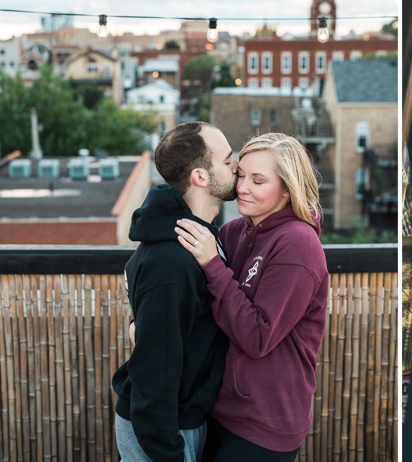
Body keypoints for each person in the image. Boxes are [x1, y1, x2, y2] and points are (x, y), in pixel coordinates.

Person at [173, 133, 328, 462]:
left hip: (265, 423)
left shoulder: (298, 243)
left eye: (258, 181)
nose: (242, 188)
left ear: (287, 188)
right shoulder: (232, 232)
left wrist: (213, 265)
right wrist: (143, 315)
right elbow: (188, 292)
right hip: (216, 407)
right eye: (241, 175)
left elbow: (257, 337)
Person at [112, 122, 238, 462]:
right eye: (227, 161)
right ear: (200, 176)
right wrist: (168, 451)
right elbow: (156, 370)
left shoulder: (200, 239)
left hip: (182, 419)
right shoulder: (172, 260)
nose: (236, 166)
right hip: (162, 431)